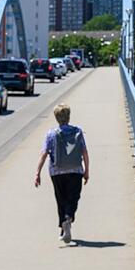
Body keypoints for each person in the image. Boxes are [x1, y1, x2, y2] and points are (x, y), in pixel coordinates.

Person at [34, 104, 90, 243]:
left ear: (56, 117)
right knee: (73, 198)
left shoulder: (51, 134)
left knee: (61, 199)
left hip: (56, 171)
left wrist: (37, 172)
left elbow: (44, 153)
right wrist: (86, 170)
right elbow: (84, 152)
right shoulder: (78, 131)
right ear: (68, 116)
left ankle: (64, 227)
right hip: (75, 170)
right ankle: (68, 219)